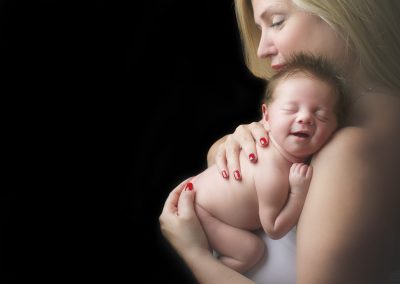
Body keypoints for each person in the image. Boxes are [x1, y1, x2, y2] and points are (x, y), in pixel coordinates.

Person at [159, 0, 400, 283]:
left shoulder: (349, 149)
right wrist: (228, 150)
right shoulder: (350, 123)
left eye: (276, 22)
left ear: (342, 11)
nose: (262, 50)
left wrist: (194, 255)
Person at [187, 53, 345, 273]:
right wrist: (297, 193)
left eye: (320, 114)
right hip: (200, 211)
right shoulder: (271, 171)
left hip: (204, 200)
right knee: (252, 251)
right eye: (291, 109)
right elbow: (273, 228)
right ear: (266, 117)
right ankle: (212, 272)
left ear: (335, 127)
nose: (305, 118)